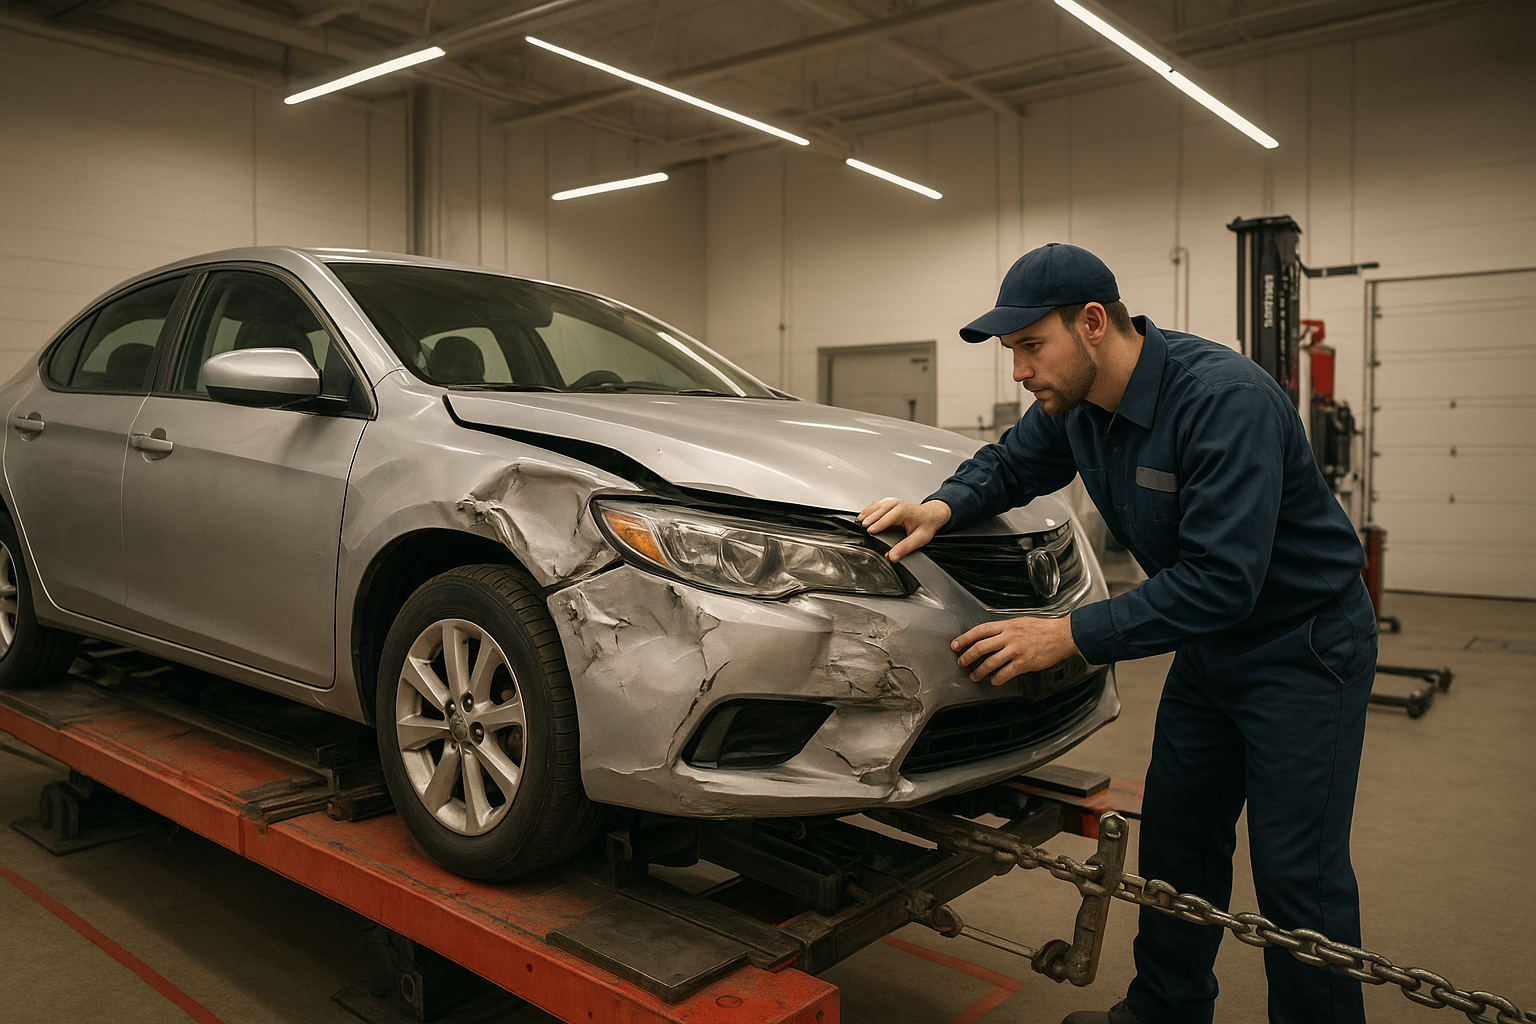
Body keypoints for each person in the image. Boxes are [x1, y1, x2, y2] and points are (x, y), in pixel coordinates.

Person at [859, 242, 1377, 1024]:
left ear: (1093, 323)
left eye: (1031, 346)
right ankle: (1166, 1012)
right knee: (1179, 843)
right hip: (1213, 650)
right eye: (1012, 352)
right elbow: (1008, 466)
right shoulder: (1079, 410)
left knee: (1297, 874)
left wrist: (1069, 634)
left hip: (1302, 648)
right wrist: (941, 506)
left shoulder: (1221, 401)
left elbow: (1221, 580)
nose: (1020, 371)